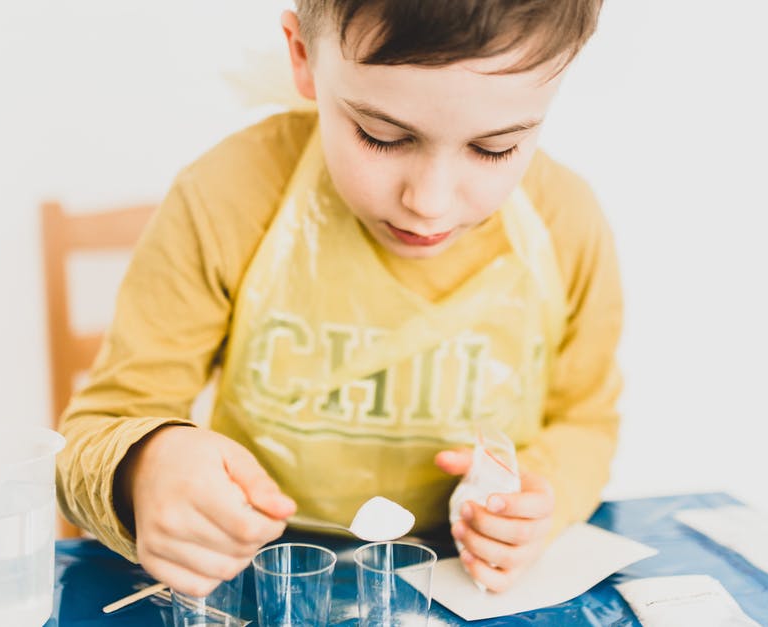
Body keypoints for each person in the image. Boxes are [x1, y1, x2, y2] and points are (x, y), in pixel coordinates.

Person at [56, 0, 622, 596]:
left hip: (464, 583)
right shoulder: (227, 198)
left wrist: (540, 497)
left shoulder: (567, 225)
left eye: (494, 148)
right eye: (382, 136)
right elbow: (90, 440)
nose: (428, 202)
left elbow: (587, 422)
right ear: (302, 55)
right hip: (266, 582)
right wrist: (143, 466)